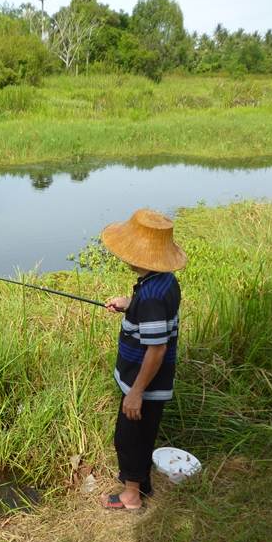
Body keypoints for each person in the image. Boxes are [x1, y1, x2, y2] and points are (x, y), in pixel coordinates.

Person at [99, 209, 187, 510]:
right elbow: (154, 317)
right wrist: (128, 304)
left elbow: (157, 349)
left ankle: (132, 496)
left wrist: (136, 392)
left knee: (129, 439)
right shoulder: (162, 281)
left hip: (144, 383)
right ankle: (143, 485)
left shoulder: (150, 298)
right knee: (142, 433)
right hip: (151, 382)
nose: (125, 258)